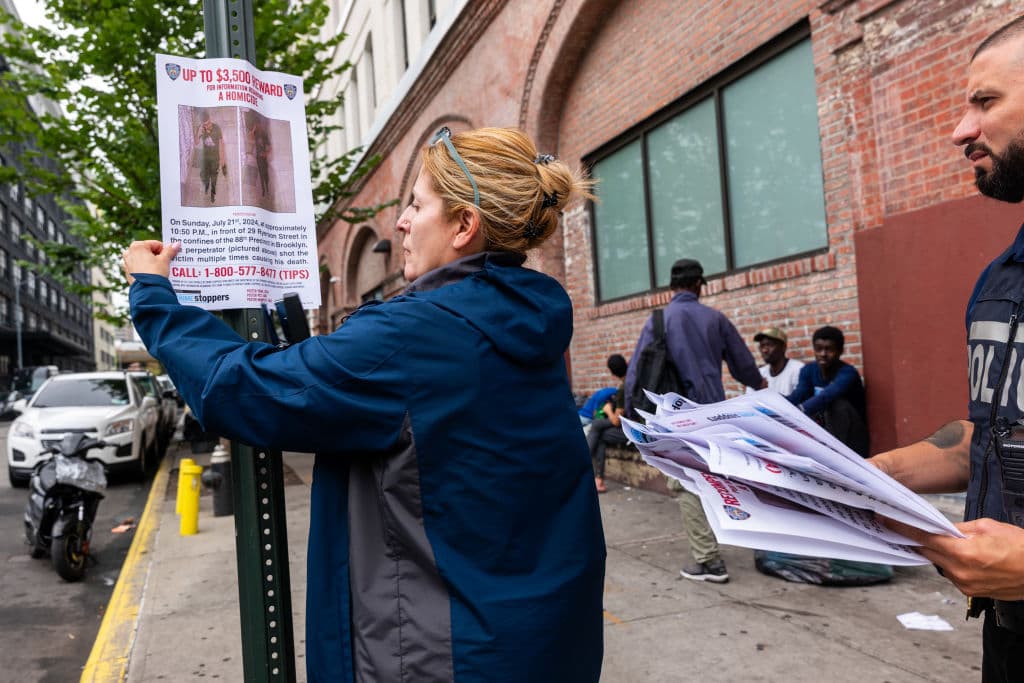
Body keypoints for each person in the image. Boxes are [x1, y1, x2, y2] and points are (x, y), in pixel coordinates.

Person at [122, 126, 606, 682]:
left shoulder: (415, 335)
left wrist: (153, 295)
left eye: (417, 205)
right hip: (543, 641)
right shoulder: (533, 320)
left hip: (439, 658)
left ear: (464, 226)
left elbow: (238, 390)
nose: (401, 221)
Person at [869, 18, 1024, 682]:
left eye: (985, 102)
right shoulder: (999, 280)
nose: (960, 130)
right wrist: (858, 478)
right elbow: (990, 434)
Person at [625, 258, 765, 583]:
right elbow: (743, 364)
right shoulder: (715, 319)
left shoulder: (659, 321)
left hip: (676, 418)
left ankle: (708, 561)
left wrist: (631, 415)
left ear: (671, 287)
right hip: (713, 414)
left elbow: (637, 373)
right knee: (716, 476)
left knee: (686, 483)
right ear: (700, 284)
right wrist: (760, 385)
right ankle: (752, 540)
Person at [785, 325, 869, 457]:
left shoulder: (848, 373)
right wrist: (778, 404)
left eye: (829, 349)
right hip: (825, 431)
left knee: (837, 404)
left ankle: (839, 456)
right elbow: (799, 394)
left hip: (852, 436)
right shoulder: (808, 370)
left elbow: (827, 395)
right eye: (819, 349)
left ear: (840, 351)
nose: (823, 354)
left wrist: (800, 409)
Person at [585, 353, 629, 492]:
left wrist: (608, 410)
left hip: (632, 431)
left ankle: (581, 463)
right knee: (599, 433)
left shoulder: (624, 388)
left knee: (597, 427)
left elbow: (616, 421)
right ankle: (598, 482)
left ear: (612, 373)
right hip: (632, 425)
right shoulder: (632, 381)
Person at [744, 326, 804, 395]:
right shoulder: (760, 374)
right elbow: (749, 402)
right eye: (762, 346)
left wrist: (766, 393)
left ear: (783, 347)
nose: (765, 350)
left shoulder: (798, 370)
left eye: (769, 345)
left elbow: (798, 402)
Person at [195, 110, 226, 204]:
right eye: (205, 124)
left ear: (210, 119)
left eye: (208, 123)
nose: (207, 126)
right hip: (205, 158)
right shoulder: (200, 128)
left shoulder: (217, 128)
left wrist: (222, 159)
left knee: (214, 178)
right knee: (204, 176)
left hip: (215, 158)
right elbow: (196, 142)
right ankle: (206, 186)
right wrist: (199, 133)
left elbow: (221, 144)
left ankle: (212, 193)